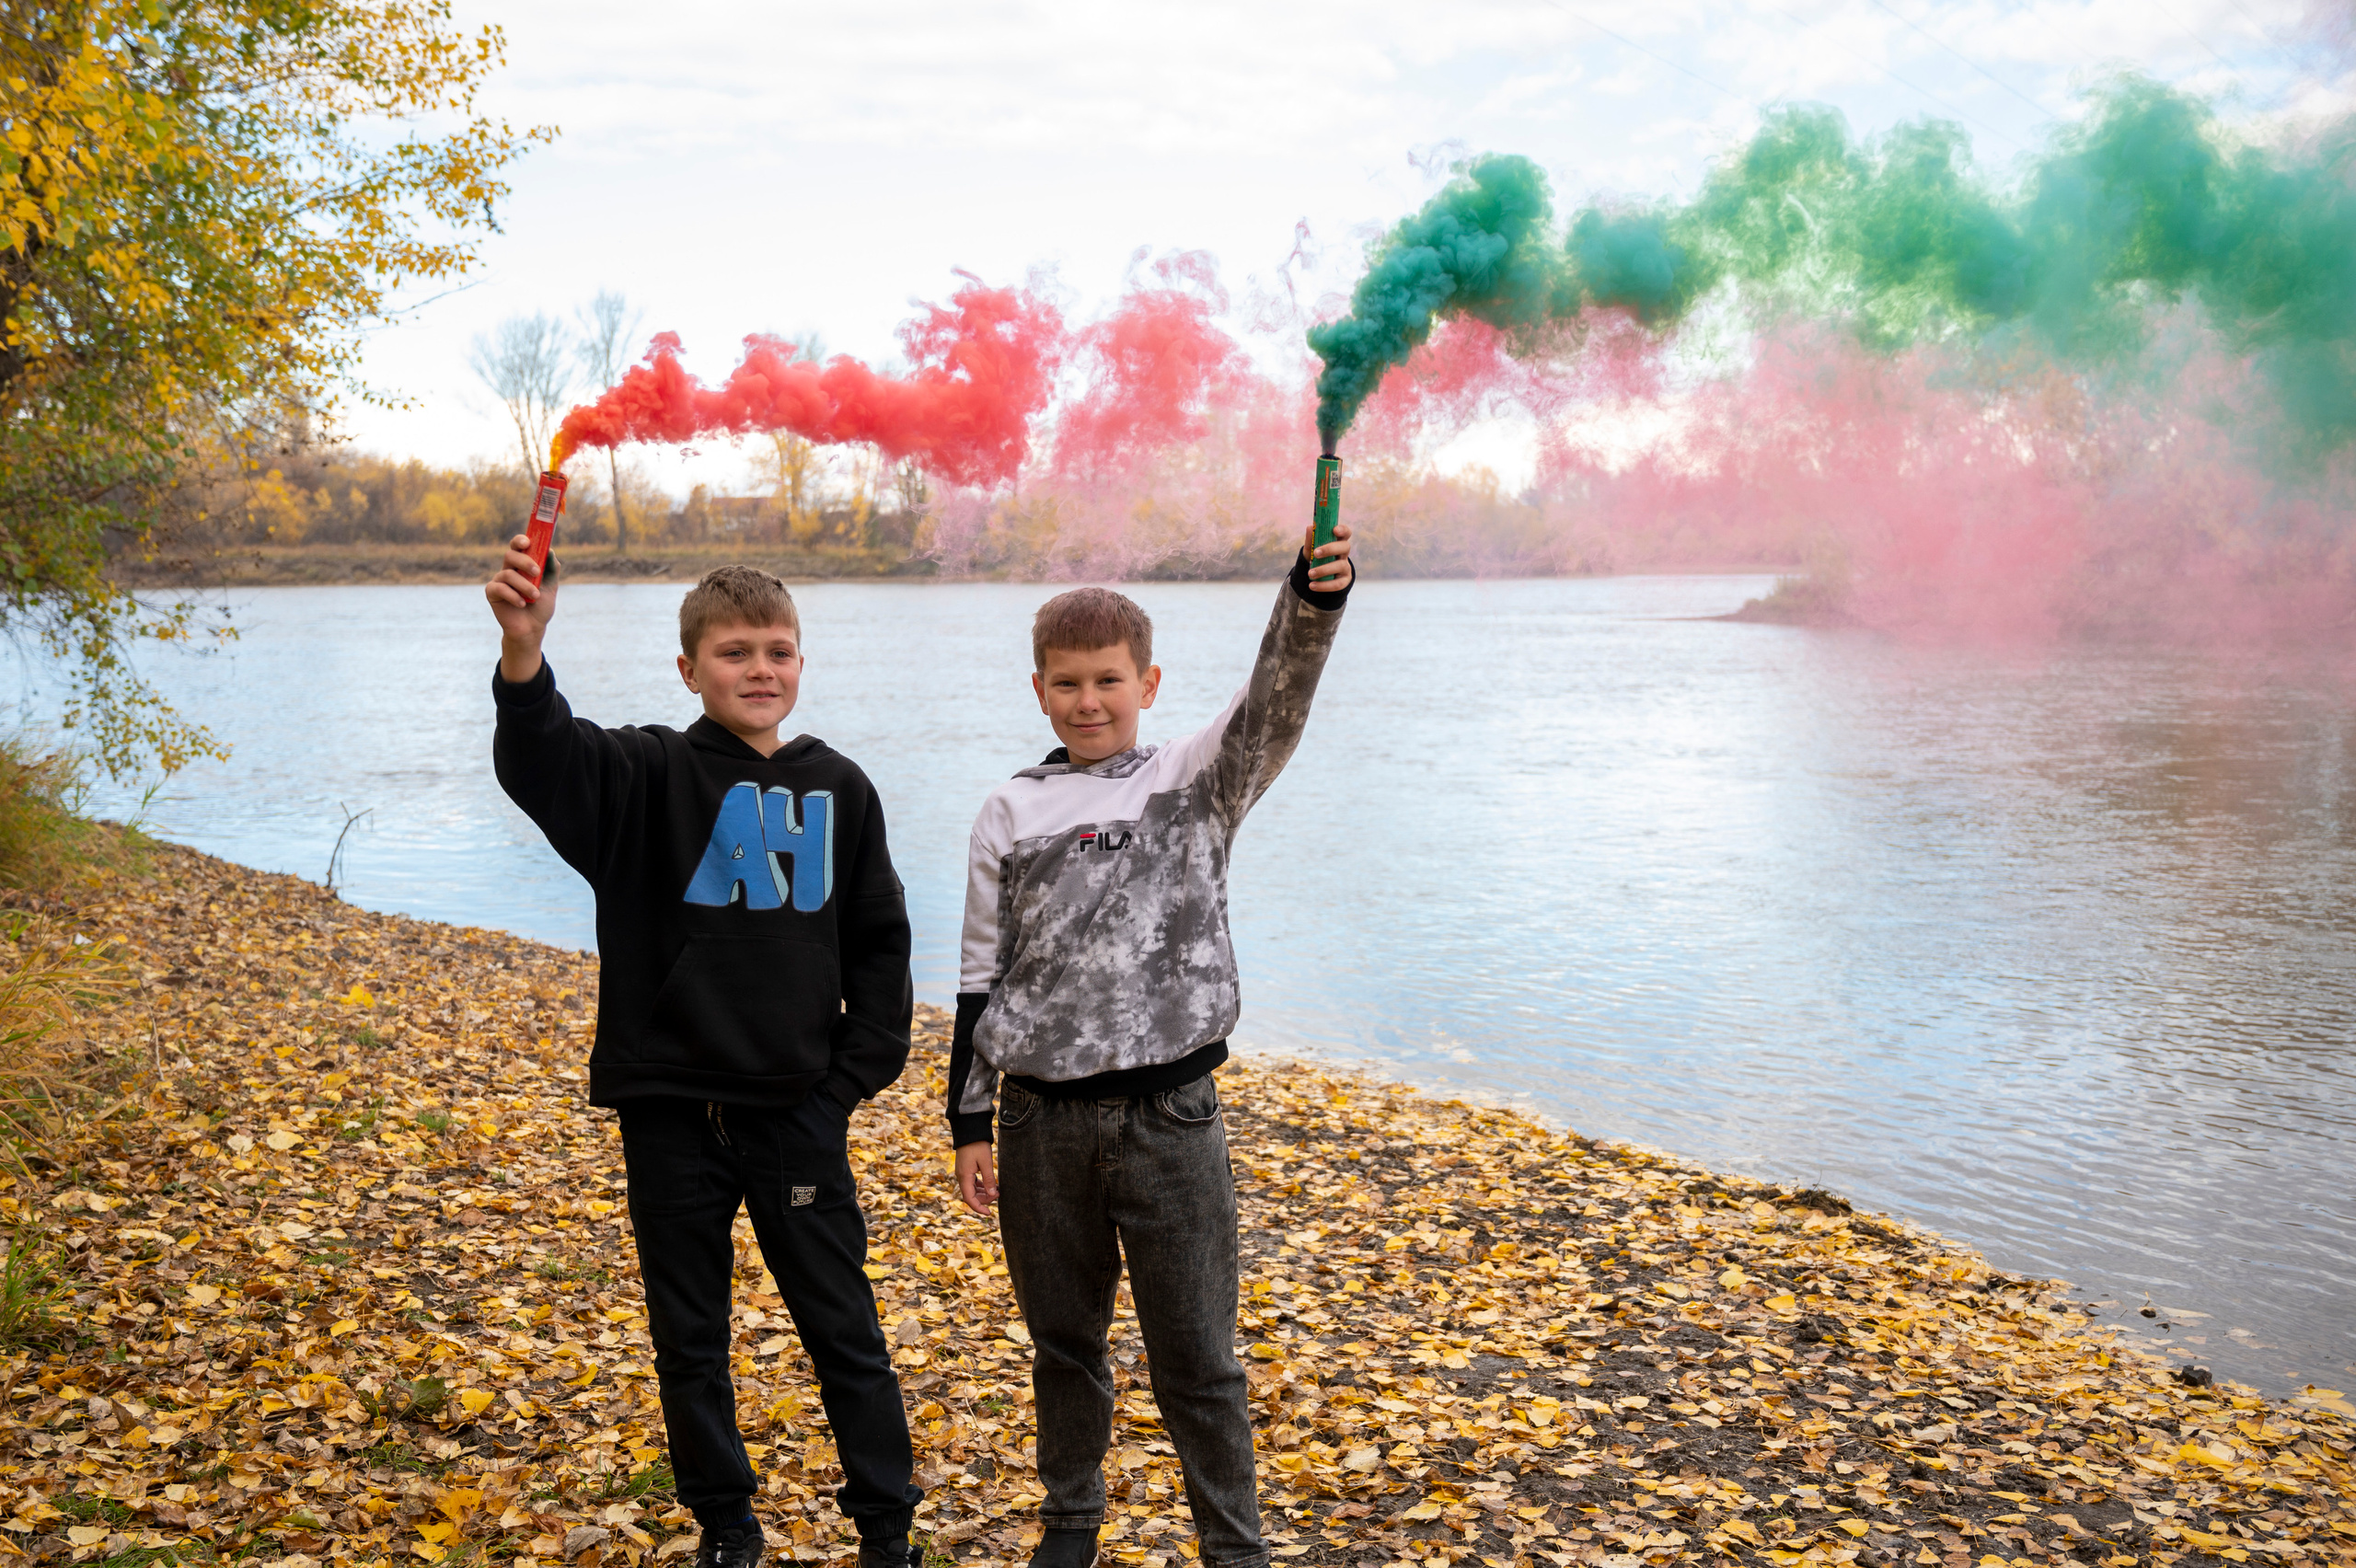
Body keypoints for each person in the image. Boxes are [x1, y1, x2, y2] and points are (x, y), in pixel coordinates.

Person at [486, 543, 921, 1568]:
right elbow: (541, 759)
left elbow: (883, 947)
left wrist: (844, 1087)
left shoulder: (841, 790)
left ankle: (887, 1530)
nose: (760, 669)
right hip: (672, 1112)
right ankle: (726, 1524)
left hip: (795, 1116)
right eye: (734, 653)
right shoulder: (645, 774)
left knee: (844, 1331)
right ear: (691, 670)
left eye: (779, 651)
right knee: (691, 1334)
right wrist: (523, 652)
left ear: (802, 663)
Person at [947, 520, 1357, 1568]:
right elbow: (979, 973)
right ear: (1038, 689)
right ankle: (1071, 1524)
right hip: (1040, 1123)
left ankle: (1233, 1548)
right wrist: (970, 1118)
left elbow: (1277, 698)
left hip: (1172, 1121)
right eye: (1068, 683)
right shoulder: (1010, 807)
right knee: (1064, 1348)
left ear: (1148, 680)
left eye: (1109, 681)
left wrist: (1310, 601)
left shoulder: (1198, 779)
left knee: (1198, 1361)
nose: (1090, 701)